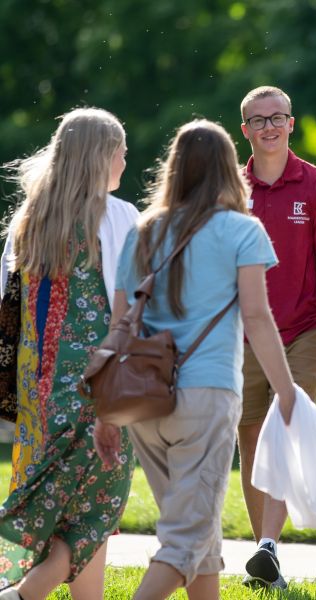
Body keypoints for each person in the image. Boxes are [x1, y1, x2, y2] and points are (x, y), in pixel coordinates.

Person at [93, 118, 297, 600]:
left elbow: (119, 324)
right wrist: (286, 392)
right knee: (185, 541)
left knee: (198, 538)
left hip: (145, 402)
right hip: (205, 397)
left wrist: (106, 414)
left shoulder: (143, 230)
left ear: (174, 168)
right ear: (230, 169)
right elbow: (257, 317)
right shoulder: (242, 231)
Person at [0, 107, 137, 600]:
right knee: (97, 506)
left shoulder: (28, 219)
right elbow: (136, 301)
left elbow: (7, 309)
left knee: (64, 503)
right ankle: (21, 595)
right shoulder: (117, 216)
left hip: (38, 389)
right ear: (101, 156)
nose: (126, 158)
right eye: (121, 150)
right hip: (98, 384)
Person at [237, 86, 316, 588]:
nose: (269, 127)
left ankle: (268, 547)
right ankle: (265, 555)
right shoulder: (231, 188)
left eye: (277, 117)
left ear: (291, 123)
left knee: (283, 426)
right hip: (243, 333)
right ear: (245, 130)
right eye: (259, 120)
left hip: (302, 331)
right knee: (249, 434)